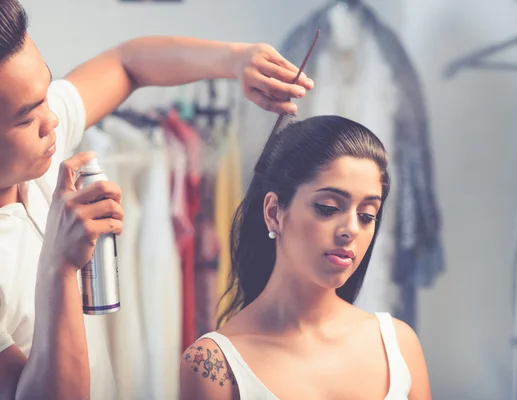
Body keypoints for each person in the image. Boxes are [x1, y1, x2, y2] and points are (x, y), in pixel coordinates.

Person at [0, 0, 314, 398]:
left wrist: (235, 60)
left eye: (47, 93)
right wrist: (58, 268)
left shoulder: (39, 151)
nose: (54, 121)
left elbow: (128, 64)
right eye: (27, 118)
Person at [180, 115, 431, 400]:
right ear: (274, 212)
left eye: (366, 216)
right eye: (328, 207)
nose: (351, 229)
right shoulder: (213, 365)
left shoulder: (398, 345)